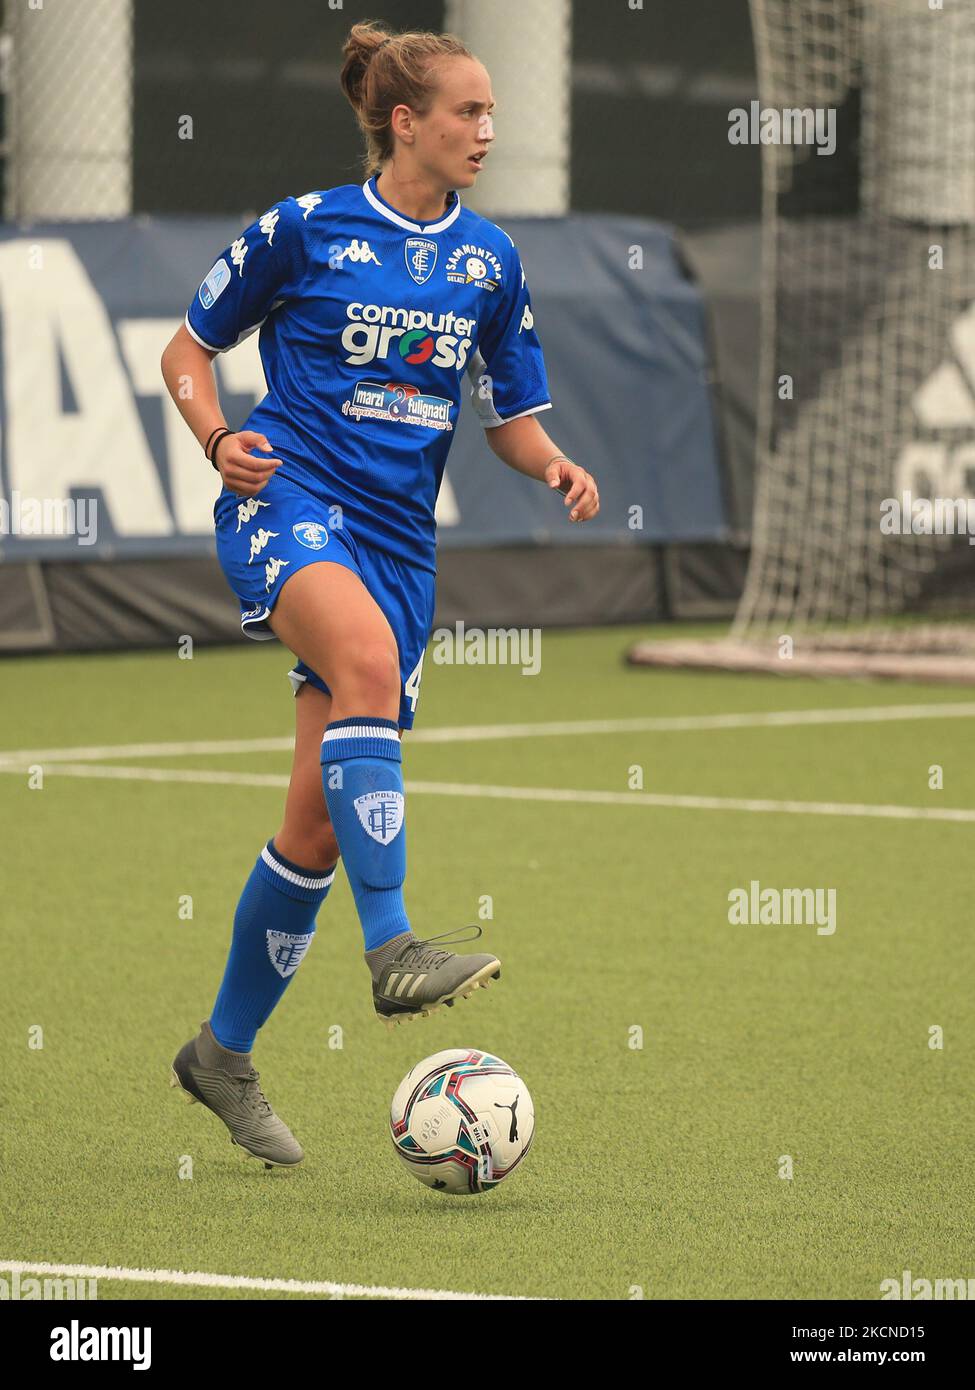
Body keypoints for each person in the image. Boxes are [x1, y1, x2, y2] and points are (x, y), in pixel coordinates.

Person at [160, 20, 599, 1167]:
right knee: (357, 667)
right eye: (468, 112)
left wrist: (549, 460)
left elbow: (509, 417)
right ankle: (396, 943)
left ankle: (222, 1054)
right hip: (288, 500)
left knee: (311, 827)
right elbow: (185, 351)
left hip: (403, 549)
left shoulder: (491, 260)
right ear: (405, 122)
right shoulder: (304, 228)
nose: (487, 130)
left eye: (492, 112)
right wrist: (217, 441)